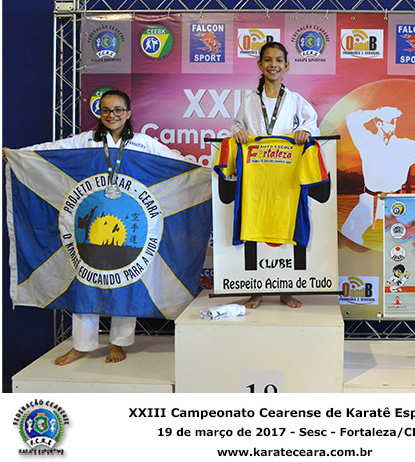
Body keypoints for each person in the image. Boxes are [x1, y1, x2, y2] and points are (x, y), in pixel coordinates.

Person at [5, 89, 190, 366]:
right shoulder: (86, 141)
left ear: (128, 113)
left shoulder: (143, 143)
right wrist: (20, 155)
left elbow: (175, 161)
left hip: (130, 226)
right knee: (85, 282)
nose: (111, 115)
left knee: (127, 282)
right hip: (90, 226)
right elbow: (52, 150)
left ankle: (118, 342)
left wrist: (206, 170)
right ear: (99, 113)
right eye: (105, 110)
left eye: (118, 110)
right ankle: (82, 345)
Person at [229, 41, 321, 310]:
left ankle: (286, 291)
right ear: (259, 64)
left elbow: (311, 122)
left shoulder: (296, 100)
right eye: (268, 60)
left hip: (285, 176)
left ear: (287, 65)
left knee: (286, 227)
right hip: (257, 177)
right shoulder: (249, 101)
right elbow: (236, 126)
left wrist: (305, 131)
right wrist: (239, 133)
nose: (273, 65)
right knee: (255, 227)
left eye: (279, 60)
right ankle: (256, 291)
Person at [342, 106, 415, 246]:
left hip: (396, 202)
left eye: (394, 121)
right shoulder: (366, 141)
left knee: (405, 241)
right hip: (369, 201)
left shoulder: (403, 145)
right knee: (349, 235)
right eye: (388, 121)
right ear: (379, 124)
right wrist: (376, 113)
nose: (392, 125)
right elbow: (352, 120)